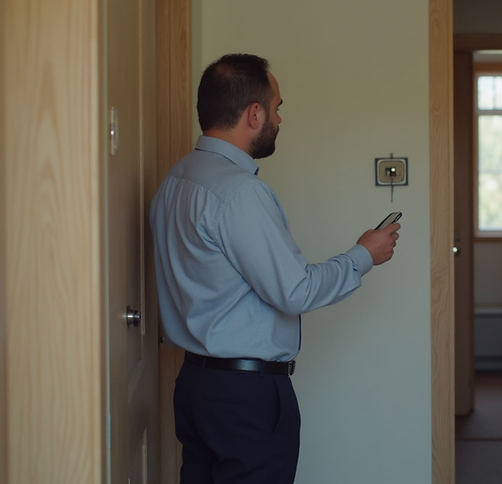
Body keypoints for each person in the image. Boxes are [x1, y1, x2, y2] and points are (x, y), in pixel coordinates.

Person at [150, 53, 400, 484]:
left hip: (194, 385)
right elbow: (295, 290)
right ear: (254, 113)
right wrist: (363, 255)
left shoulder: (174, 181)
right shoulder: (240, 193)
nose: (280, 119)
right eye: (278, 107)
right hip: (244, 395)